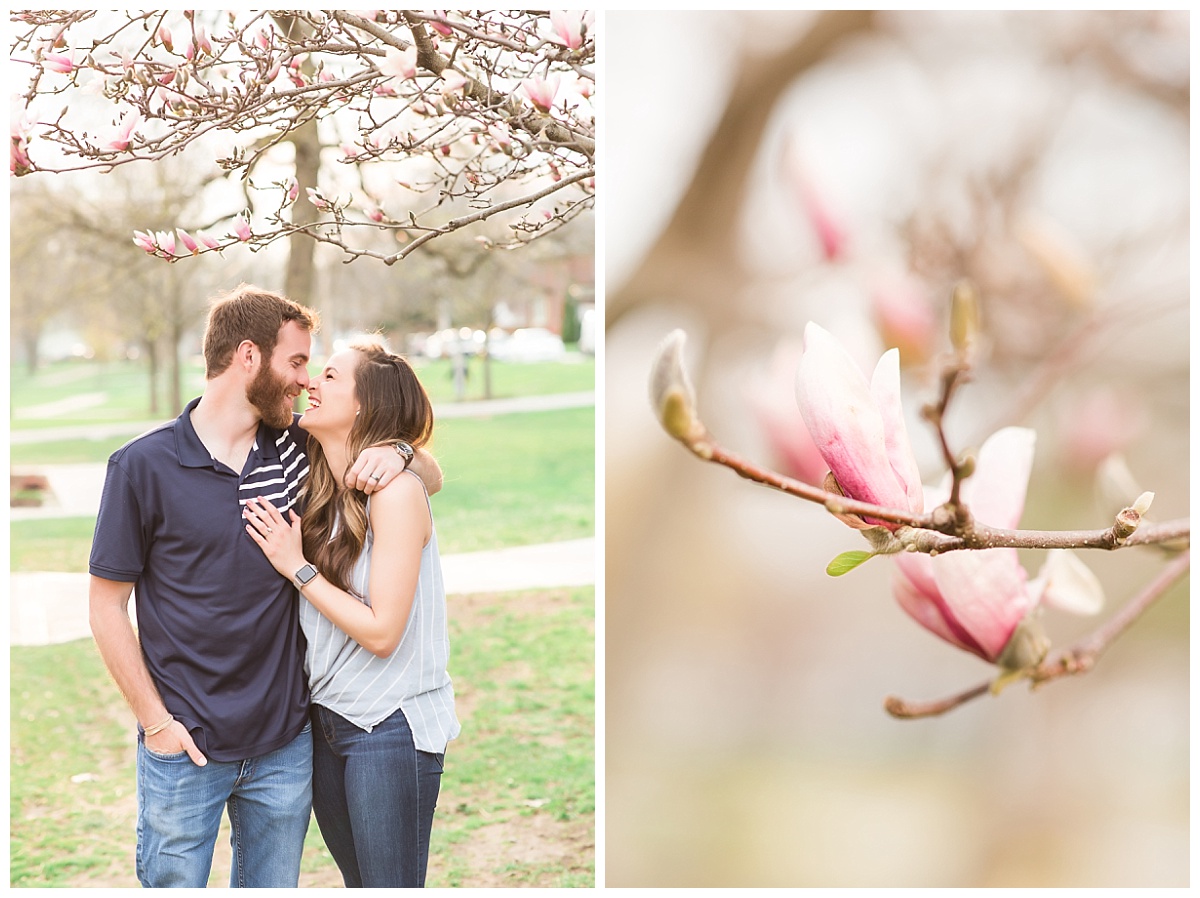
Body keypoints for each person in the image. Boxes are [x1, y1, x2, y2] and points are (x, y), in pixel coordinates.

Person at [88, 285, 442, 889]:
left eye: (315, 368)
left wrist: (403, 452)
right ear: (249, 357)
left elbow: (410, 467)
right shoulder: (142, 466)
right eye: (298, 362)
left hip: (286, 743)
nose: (306, 382)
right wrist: (155, 724)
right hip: (186, 745)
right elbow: (105, 607)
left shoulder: (297, 447)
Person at [243, 337, 460, 888]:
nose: (313, 381)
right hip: (328, 723)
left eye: (332, 377)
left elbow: (383, 632)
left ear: (365, 405)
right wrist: (405, 450)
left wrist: (297, 568)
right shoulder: (313, 470)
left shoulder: (394, 493)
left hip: (389, 725)